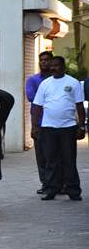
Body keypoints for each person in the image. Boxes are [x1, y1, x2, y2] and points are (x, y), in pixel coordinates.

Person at [32, 56, 85, 201]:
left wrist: (81, 125)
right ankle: (50, 190)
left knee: (69, 160)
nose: (53, 68)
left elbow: (79, 105)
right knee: (51, 161)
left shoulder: (73, 83)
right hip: (48, 128)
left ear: (63, 67)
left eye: (56, 65)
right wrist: (35, 126)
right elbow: (37, 106)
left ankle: (73, 190)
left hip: (68, 128)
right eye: (52, 65)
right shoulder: (45, 84)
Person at [26, 51, 53, 194]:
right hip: (40, 123)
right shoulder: (33, 80)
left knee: (55, 155)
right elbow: (31, 97)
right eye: (41, 60)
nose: (44, 62)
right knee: (42, 156)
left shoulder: (57, 80)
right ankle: (46, 184)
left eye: (47, 60)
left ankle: (57, 184)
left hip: (56, 123)